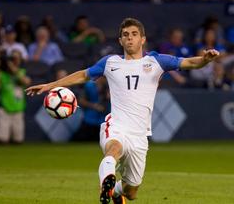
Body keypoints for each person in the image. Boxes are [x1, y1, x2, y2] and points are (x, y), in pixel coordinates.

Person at [26, 18, 220, 204]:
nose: (129, 37)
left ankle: (117, 191)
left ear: (142, 39)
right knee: (113, 149)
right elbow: (83, 75)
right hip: (116, 125)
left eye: (134, 34)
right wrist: (50, 85)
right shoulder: (110, 62)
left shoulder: (156, 61)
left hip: (140, 135)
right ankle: (106, 184)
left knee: (132, 191)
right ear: (120, 40)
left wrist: (205, 59)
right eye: (125, 34)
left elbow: (190, 63)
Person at [0, 50, 31, 144]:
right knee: (2, 139)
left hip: (18, 109)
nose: (14, 61)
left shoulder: (22, 72)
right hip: (4, 108)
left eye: (16, 58)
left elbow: (26, 82)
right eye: (12, 58)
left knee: (18, 140)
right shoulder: (2, 74)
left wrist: (13, 69)